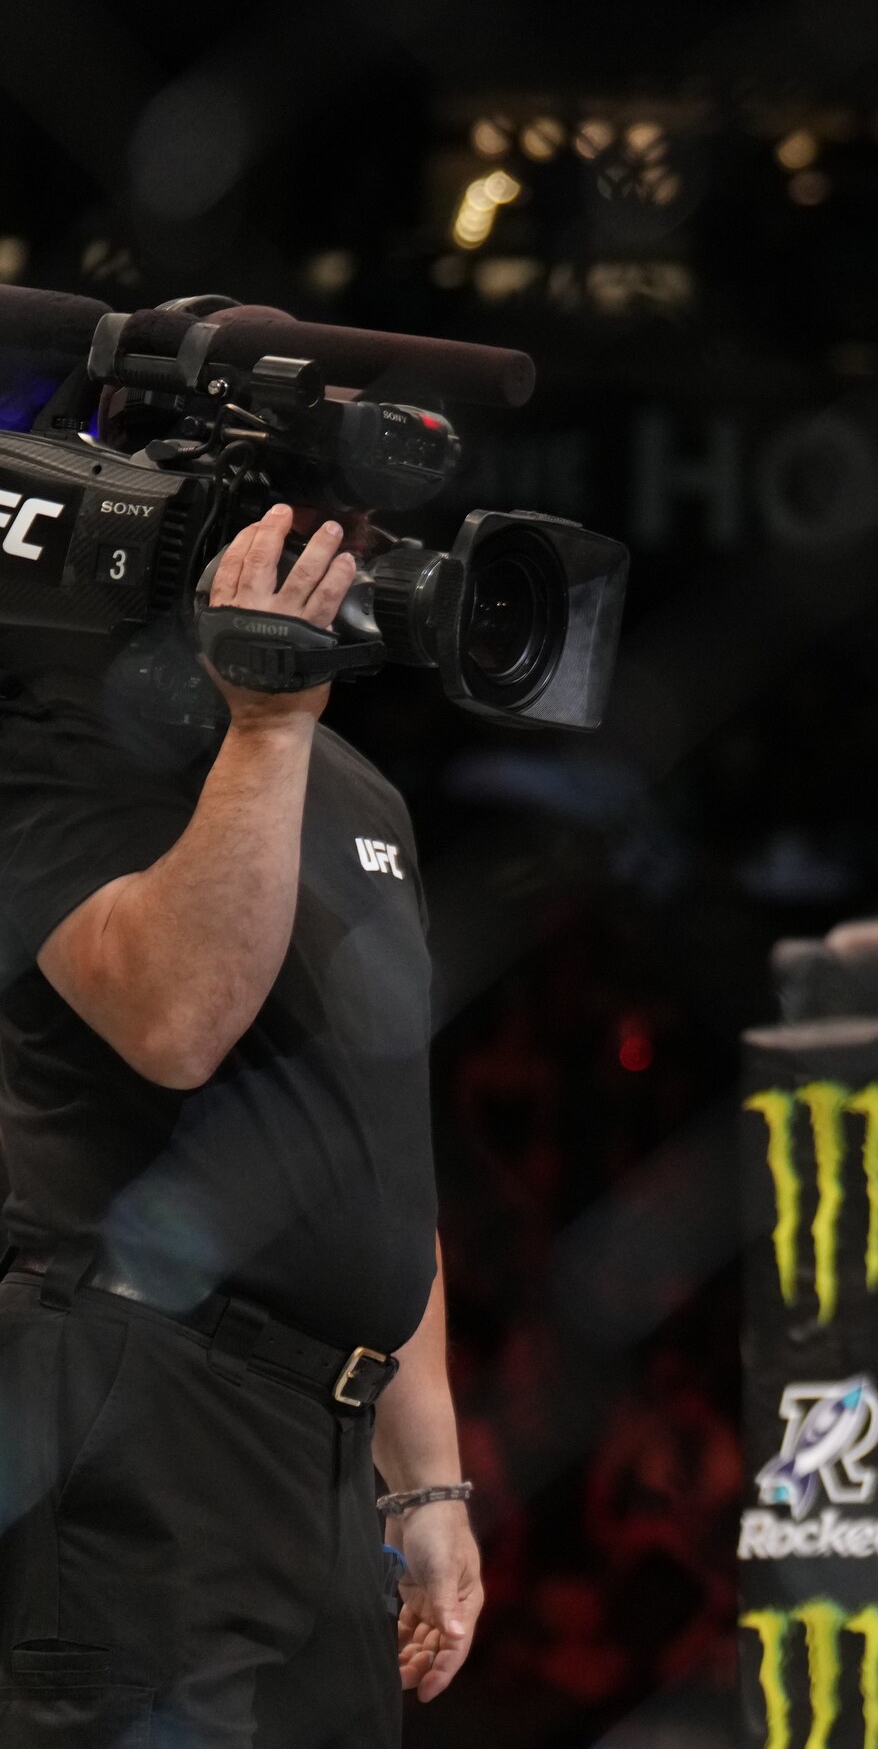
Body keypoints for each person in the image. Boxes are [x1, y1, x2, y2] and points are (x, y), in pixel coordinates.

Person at [0, 504, 480, 1745]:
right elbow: (172, 1015)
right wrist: (266, 722)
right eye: (317, 520)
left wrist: (425, 1478)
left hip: (320, 1439)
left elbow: (382, 1152)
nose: (355, 553)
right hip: (140, 1401)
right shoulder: (58, 731)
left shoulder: (360, 787)